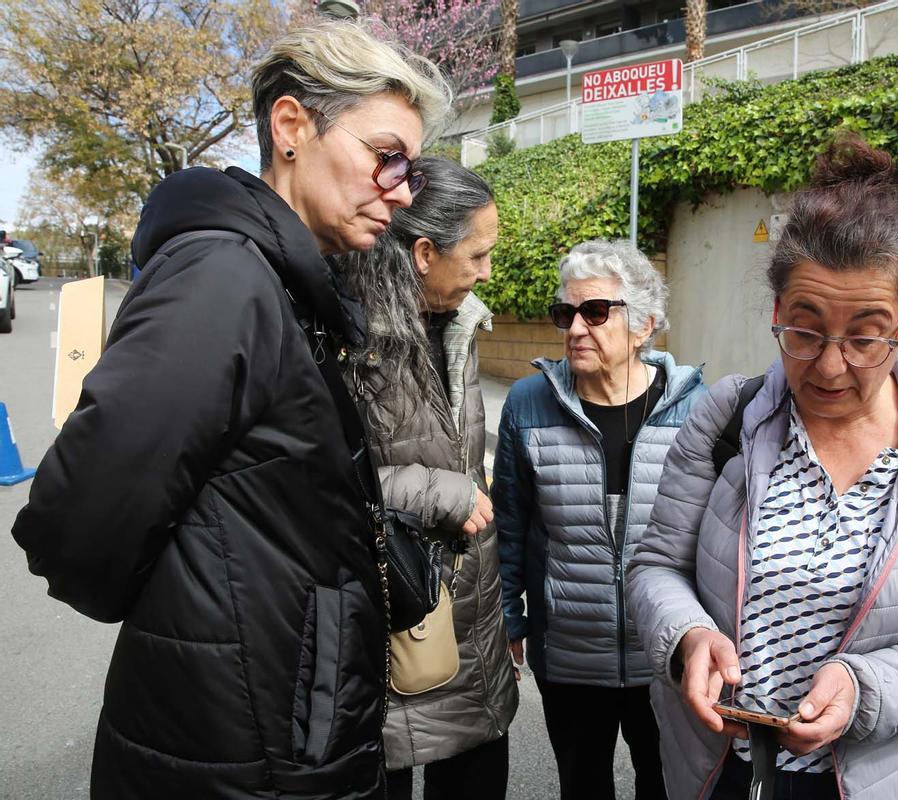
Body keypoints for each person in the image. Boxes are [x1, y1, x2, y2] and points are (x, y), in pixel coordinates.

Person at [10, 20, 449, 799]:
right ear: (290, 128)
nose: (403, 190)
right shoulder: (226, 276)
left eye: (411, 168)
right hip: (241, 751)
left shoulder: (287, 281)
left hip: (276, 735)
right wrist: (212, 611)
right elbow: (80, 523)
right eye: (387, 156)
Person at [626, 133, 898, 800]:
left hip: (882, 777)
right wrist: (688, 636)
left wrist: (866, 689)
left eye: (866, 336)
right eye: (806, 331)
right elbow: (655, 566)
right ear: (777, 313)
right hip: (720, 768)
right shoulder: (725, 420)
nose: (832, 365)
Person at [491, 239, 706, 800]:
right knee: (582, 787)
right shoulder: (528, 403)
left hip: (665, 655)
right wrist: (510, 621)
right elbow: (509, 526)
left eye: (596, 311)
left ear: (644, 325)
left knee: (666, 787)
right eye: (567, 313)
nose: (576, 328)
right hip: (568, 654)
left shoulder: (697, 409)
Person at [337, 156, 517, 800]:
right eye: (476, 255)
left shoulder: (462, 322)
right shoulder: (348, 336)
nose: (486, 272)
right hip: (391, 619)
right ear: (422, 252)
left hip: (468, 617)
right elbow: (309, 481)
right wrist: (432, 490)